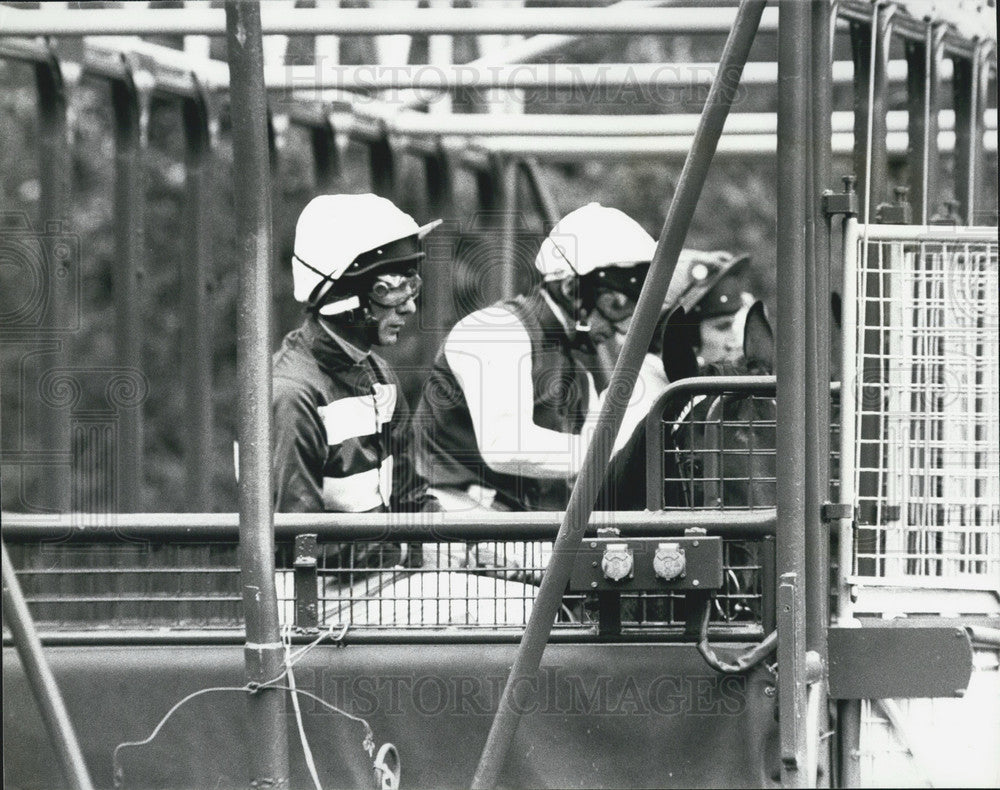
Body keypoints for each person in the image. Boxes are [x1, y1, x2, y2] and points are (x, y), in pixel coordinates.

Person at [413, 202, 654, 513]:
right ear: (570, 288)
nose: (621, 328)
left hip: (510, 527)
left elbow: (598, 462)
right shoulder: (496, 331)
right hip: (456, 522)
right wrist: (609, 450)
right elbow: (505, 446)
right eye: (616, 305)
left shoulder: (576, 370)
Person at [272, 194, 441, 576]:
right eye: (391, 288)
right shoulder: (292, 393)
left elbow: (410, 494)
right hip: (321, 604)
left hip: (379, 583)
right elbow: (297, 542)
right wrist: (405, 556)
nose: (410, 307)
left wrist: (453, 543)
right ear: (347, 296)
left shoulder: (378, 375)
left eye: (412, 287)